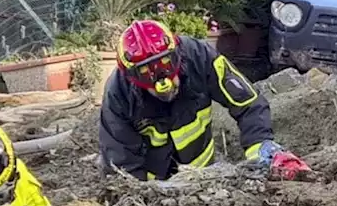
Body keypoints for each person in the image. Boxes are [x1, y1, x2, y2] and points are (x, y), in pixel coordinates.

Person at [98, 19, 304, 180]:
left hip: (204, 177)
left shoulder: (199, 56)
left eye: (169, 71)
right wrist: (150, 196)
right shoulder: (118, 94)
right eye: (151, 80)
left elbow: (247, 102)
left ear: (177, 55)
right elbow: (120, 165)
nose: (166, 87)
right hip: (154, 186)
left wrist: (261, 145)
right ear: (134, 79)